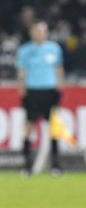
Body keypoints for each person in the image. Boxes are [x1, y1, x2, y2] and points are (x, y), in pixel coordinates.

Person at [16, 20, 65, 177]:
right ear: (32, 32)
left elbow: (59, 68)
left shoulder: (54, 48)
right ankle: (27, 165)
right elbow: (21, 71)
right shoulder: (25, 50)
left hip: (49, 90)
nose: (40, 34)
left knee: (53, 127)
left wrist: (60, 85)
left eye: (43, 31)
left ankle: (56, 165)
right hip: (32, 90)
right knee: (29, 126)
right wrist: (22, 88)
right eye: (37, 31)